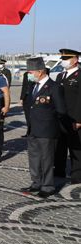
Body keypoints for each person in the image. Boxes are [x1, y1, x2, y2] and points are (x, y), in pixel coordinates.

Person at [21, 57, 66, 198]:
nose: (29, 74)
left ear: (40, 72)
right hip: (33, 129)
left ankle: (48, 186)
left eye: (31, 71)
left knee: (46, 159)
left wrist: (51, 124)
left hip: (47, 129)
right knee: (34, 158)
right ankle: (36, 183)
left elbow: (61, 110)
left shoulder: (54, 87)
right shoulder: (33, 86)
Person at [54, 49, 81, 183]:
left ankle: (77, 175)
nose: (63, 61)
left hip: (74, 118)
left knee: (76, 148)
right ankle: (59, 170)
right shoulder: (60, 76)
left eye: (67, 58)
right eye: (63, 58)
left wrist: (78, 119)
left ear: (75, 60)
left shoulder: (79, 75)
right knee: (60, 146)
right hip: (61, 118)